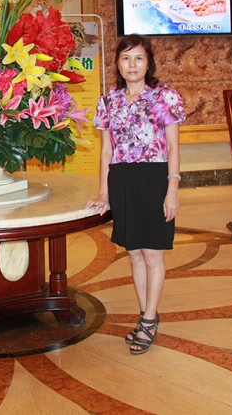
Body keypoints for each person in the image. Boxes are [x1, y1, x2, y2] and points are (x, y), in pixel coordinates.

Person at [86, 34, 186, 355]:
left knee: (152, 253)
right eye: (126, 58)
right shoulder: (108, 102)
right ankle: (146, 316)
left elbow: (173, 148)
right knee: (133, 253)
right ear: (117, 64)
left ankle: (149, 318)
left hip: (154, 179)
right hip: (123, 181)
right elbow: (106, 152)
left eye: (139, 58)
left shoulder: (164, 97)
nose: (132, 64)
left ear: (149, 63)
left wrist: (172, 191)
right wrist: (104, 194)